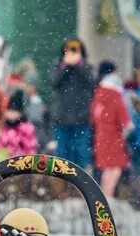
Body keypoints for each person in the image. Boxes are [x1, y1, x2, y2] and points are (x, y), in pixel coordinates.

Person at [51, 38, 96, 169]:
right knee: (62, 155)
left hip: (81, 119)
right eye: (68, 50)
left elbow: (92, 81)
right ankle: (62, 186)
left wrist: (79, 65)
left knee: (81, 153)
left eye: (75, 50)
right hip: (62, 119)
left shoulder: (87, 67)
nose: (71, 53)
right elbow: (53, 81)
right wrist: (65, 66)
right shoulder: (57, 66)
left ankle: (80, 187)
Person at [90, 61, 131, 198]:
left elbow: (95, 114)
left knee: (108, 168)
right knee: (115, 169)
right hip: (114, 135)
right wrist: (128, 124)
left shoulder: (99, 92)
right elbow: (121, 113)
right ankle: (107, 196)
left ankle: (104, 195)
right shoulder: (115, 93)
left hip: (101, 134)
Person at [0, 90, 38, 160]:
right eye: (9, 111)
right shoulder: (5, 127)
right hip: (7, 161)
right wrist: (3, 151)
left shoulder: (26, 128)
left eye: (14, 111)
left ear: (20, 113)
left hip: (23, 160)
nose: (11, 114)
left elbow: (31, 146)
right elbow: (0, 144)